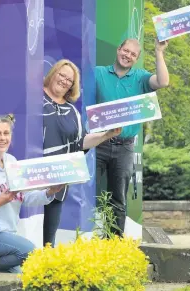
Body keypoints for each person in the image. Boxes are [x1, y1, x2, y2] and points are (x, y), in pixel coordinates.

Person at [43, 59, 122, 247]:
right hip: (31, 179)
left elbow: (81, 143)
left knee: (47, 241)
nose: (64, 80)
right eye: (61, 75)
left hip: (58, 181)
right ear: (52, 73)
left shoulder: (72, 111)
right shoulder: (33, 99)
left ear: (72, 86)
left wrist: (107, 134)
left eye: (69, 80)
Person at [95, 38, 169, 236]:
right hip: (98, 144)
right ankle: (86, 242)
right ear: (118, 49)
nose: (127, 56)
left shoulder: (140, 77)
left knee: (118, 198)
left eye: (132, 54)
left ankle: (115, 245)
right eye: (125, 51)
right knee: (88, 193)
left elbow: (163, 82)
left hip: (125, 147)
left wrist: (159, 52)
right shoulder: (98, 73)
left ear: (136, 59)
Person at [0, 113, 64, 273]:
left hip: (7, 236)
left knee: (23, 280)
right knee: (29, 250)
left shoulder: (11, 161)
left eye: (6, 133)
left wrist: (49, 192)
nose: (2, 138)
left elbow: (26, 197)